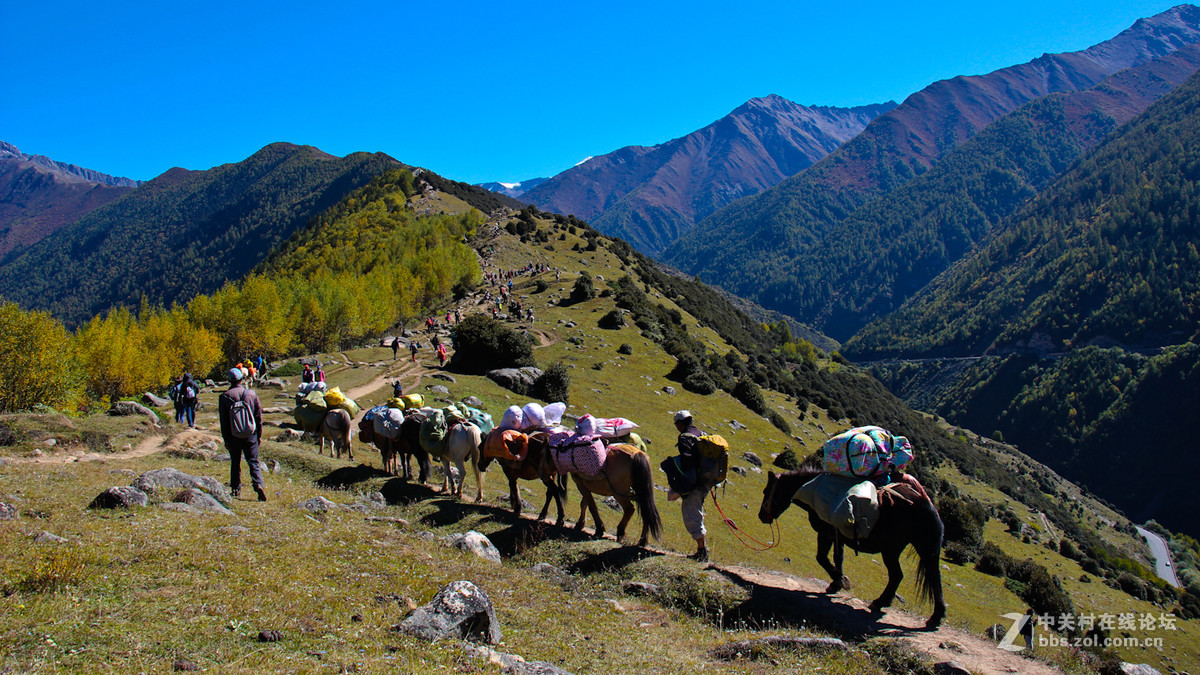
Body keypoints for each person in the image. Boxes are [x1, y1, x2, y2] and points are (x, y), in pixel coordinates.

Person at [219, 367, 266, 501]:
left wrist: (226, 439)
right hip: (250, 433)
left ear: (229, 380)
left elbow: (224, 421)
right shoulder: (251, 394)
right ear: (242, 378)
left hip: (234, 435)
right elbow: (258, 416)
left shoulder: (224, 397)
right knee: (253, 462)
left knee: (235, 463)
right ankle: (258, 485)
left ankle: (235, 490)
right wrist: (259, 435)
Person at [669, 410, 710, 562]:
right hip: (706, 481)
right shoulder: (701, 433)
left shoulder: (685, 438)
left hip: (695, 482)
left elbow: (687, 462)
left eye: (676, 424)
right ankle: (702, 549)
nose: (676, 427)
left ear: (680, 423)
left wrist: (682, 483)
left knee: (692, 513)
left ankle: (702, 552)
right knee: (695, 511)